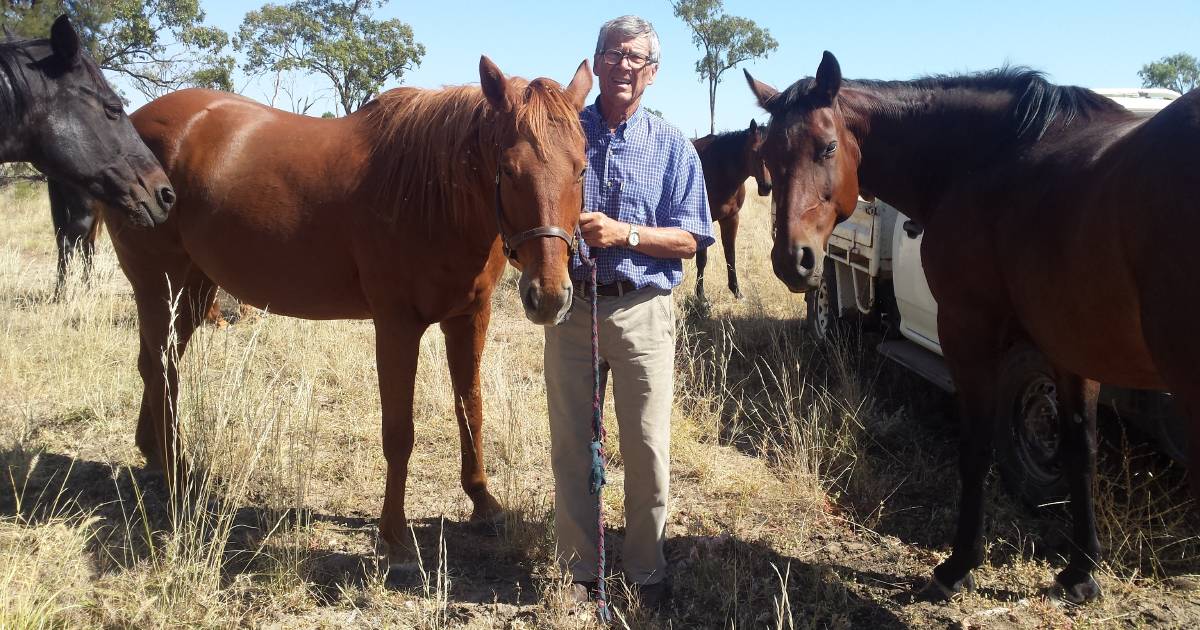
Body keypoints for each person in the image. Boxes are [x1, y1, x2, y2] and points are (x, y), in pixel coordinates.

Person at [544, 14, 713, 607]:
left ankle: (646, 568)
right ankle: (580, 572)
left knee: (646, 445)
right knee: (571, 443)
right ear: (596, 63)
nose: (622, 65)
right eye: (611, 54)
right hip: (573, 312)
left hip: (643, 311)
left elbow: (691, 239)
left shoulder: (673, 147)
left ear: (653, 73)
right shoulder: (567, 134)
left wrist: (624, 235)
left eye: (635, 57)